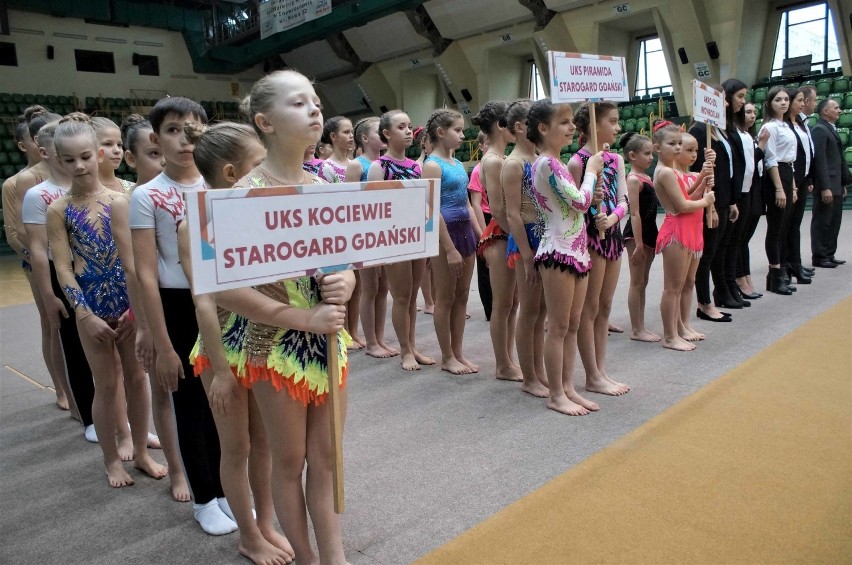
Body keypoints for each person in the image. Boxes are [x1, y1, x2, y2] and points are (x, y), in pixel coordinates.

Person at [234, 69, 355, 565]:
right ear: (265, 121)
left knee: (327, 458)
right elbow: (223, 290)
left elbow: (346, 258)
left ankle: (335, 557)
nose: (314, 110)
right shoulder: (242, 194)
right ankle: (307, 558)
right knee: (291, 461)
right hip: (274, 343)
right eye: (298, 102)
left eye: (316, 100)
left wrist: (347, 281)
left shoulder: (325, 184)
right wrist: (301, 319)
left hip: (329, 338)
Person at [177, 121, 297, 565]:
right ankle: (247, 534)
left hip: (261, 343)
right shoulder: (196, 223)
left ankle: (265, 523)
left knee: (263, 443)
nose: (268, 171)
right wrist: (222, 373)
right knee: (237, 446)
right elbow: (204, 304)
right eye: (259, 164)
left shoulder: (261, 213)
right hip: (220, 348)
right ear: (232, 173)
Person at [130, 97, 235, 533]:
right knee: (191, 403)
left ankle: (231, 490)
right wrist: (162, 342)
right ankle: (205, 497)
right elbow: (144, 273)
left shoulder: (222, 184)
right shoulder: (147, 196)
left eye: (193, 130)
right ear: (156, 139)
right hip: (178, 305)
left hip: (227, 302)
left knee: (227, 406)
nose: (184, 140)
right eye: (173, 130)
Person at [46, 114, 166, 487]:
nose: (79, 166)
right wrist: (83, 315)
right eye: (69, 160)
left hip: (129, 304)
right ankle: (111, 458)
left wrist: (137, 310)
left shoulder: (125, 198)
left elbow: (138, 262)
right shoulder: (58, 210)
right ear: (58, 161)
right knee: (106, 384)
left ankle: (142, 451)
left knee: (137, 377)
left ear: (99, 154)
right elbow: (64, 269)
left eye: (85, 156)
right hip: (90, 307)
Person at [111, 113, 190, 498]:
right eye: (154, 152)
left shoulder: (198, 184)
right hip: (157, 302)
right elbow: (137, 273)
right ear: (134, 158)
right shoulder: (131, 203)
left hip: (202, 299)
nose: (164, 158)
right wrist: (143, 325)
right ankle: (177, 470)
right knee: (165, 388)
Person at [21, 119, 96, 436]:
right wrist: (48, 294)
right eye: (64, 154)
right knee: (74, 345)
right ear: (47, 153)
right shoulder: (39, 196)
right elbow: (38, 250)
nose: (74, 162)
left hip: (94, 267)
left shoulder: (93, 186)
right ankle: (89, 419)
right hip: (59, 272)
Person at [527, 100, 602, 415]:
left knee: (572, 324)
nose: (572, 127)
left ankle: (568, 387)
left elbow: (576, 204)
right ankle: (555, 393)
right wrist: (592, 174)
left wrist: (588, 187)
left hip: (575, 247)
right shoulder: (548, 163)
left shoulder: (554, 163)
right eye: (564, 122)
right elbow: (582, 203)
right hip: (558, 248)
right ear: (543, 129)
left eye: (573, 122)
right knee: (558, 325)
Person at [5, 108, 72, 410]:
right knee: (52, 324)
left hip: (72, 260)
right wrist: (38, 260)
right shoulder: (21, 182)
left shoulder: (73, 172)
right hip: (39, 259)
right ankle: (61, 387)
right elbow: (16, 233)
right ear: (33, 143)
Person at [568, 102, 630, 396]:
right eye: (613, 121)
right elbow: (573, 205)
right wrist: (593, 211)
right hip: (591, 237)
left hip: (613, 234)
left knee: (605, 306)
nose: (617, 127)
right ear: (595, 125)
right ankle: (591, 374)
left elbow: (624, 199)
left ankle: (601, 370)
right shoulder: (578, 162)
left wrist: (613, 216)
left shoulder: (616, 159)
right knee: (589, 309)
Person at [367, 110, 434, 370]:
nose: (408, 131)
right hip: (394, 240)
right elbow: (374, 211)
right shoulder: (378, 167)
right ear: (386, 133)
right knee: (402, 297)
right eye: (401, 127)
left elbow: (426, 205)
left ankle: (413, 345)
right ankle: (405, 350)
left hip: (416, 236)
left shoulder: (417, 166)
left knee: (414, 295)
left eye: (409, 126)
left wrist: (428, 242)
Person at [423, 109, 482, 375]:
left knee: (461, 298)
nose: (462, 135)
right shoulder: (432, 165)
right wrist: (448, 249)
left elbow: (468, 205)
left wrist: (481, 236)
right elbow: (431, 211)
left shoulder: (458, 164)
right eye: (457, 130)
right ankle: (447, 356)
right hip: (445, 235)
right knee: (445, 298)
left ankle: (458, 352)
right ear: (440, 132)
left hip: (465, 232)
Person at [500, 99, 548, 397]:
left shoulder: (540, 157)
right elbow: (512, 214)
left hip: (547, 235)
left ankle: (539, 369)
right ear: (520, 127)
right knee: (529, 310)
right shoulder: (513, 164)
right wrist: (527, 255)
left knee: (543, 310)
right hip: (527, 238)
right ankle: (529, 377)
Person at [472, 101, 521, 382]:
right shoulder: (491, 160)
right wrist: (518, 236)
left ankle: (509, 358)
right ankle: (502, 364)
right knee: (502, 305)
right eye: (512, 124)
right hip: (500, 234)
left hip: (507, 233)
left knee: (512, 304)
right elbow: (499, 208)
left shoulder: (501, 157)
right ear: (502, 126)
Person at [688, 82, 747, 315]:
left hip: (722, 199)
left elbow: (727, 168)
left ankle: (719, 293)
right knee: (707, 253)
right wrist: (708, 205)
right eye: (718, 99)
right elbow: (695, 171)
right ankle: (704, 302)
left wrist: (731, 200)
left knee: (718, 249)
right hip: (708, 201)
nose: (724, 103)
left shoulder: (721, 130)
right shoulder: (699, 132)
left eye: (723, 99)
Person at [657, 124, 716, 350]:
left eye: (679, 144)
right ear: (658, 147)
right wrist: (706, 201)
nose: (678, 148)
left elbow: (688, 194)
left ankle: (682, 326)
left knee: (687, 282)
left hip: (692, 229)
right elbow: (682, 205)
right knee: (673, 286)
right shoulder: (665, 172)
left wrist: (703, 177)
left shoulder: (675, 172)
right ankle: (670, 335)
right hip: (677, 230)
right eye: (674, 144)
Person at [345, 117, 387, 355]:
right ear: (364, 138)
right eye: (377, 131)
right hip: (365, 234)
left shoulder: (384, 164)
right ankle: (370, 341)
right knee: (369, 287)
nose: (383, 133)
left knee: (384, 288)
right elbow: (349, 204)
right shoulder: (357, 165)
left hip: (385, 234)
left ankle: (380, 338)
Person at [621, 132, 659, 342]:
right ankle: (637, 329)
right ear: (632, 156)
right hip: (637, 235)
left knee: (643, 281)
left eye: (651, 153)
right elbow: (634, 212)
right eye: (647, 154)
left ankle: (641, 325)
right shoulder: (634, 179)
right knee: (637, 282)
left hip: (650, 232)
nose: (651, 157)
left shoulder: (647, 177)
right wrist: (638, 244)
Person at [759, 86, 797, 294]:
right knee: (775, 227)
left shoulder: (786, 125)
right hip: (775, 175)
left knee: (784, 227)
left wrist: (792, 186)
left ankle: (781, 271)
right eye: (778, 100)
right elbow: (771, 158)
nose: (783, 103)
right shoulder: (770, 127)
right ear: (769, 103)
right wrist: (780, 189)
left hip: (787, 172)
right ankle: (774, 275)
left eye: (785, 99)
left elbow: (789, 159)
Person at [810, 98, 851, 268]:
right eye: (836, 108)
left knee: (834, 221)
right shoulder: (819, 129)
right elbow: (820, 161)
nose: (840, 110)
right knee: (823, 221)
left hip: (835, 183)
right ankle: (820, 256)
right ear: (825, 111)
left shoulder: (830, 129)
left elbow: (838, 161)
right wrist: (825, 186)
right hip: (826, 184)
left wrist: (842, 184)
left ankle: (829, 253)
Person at [780, 87, 815, 285]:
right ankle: (785, 265)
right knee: (785, 226)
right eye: (799, 100)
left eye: (803, 100)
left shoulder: (800, 123)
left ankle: (796, 263)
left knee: (795, 225)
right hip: (789, 179)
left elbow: (807, 151)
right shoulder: (784, 125)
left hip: (802, 179)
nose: (802, 104)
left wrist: (808, 179)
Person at [735, 103, 768, 299]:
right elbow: (748, 163)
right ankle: (740, 278)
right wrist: (762, 145)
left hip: (756, 189)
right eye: (748, 112)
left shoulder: (751, 137)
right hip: (744, 190)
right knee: (739, 239)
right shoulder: (739, 137)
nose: (752, 116)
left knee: (744, 239)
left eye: (754, 112)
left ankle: (746, 276)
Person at [469, 131, 494, 321]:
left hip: (499, 216)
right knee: (485, 265)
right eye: (487, 143)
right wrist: (482, 231)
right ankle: (490, 309)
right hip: (485, 217)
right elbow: (475, 203)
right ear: (481, 147)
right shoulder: (478, 170)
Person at [92, 117, 134, 194]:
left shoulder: (133, 189)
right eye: (108, 144)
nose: (117, 150)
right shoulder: (78, 193)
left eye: (119, 145)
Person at [317, 116, 353, 183]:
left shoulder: (354, 164)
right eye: (346, 132)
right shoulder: (327, 167)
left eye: (351, 132)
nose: (351, 135)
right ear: (333, 136)